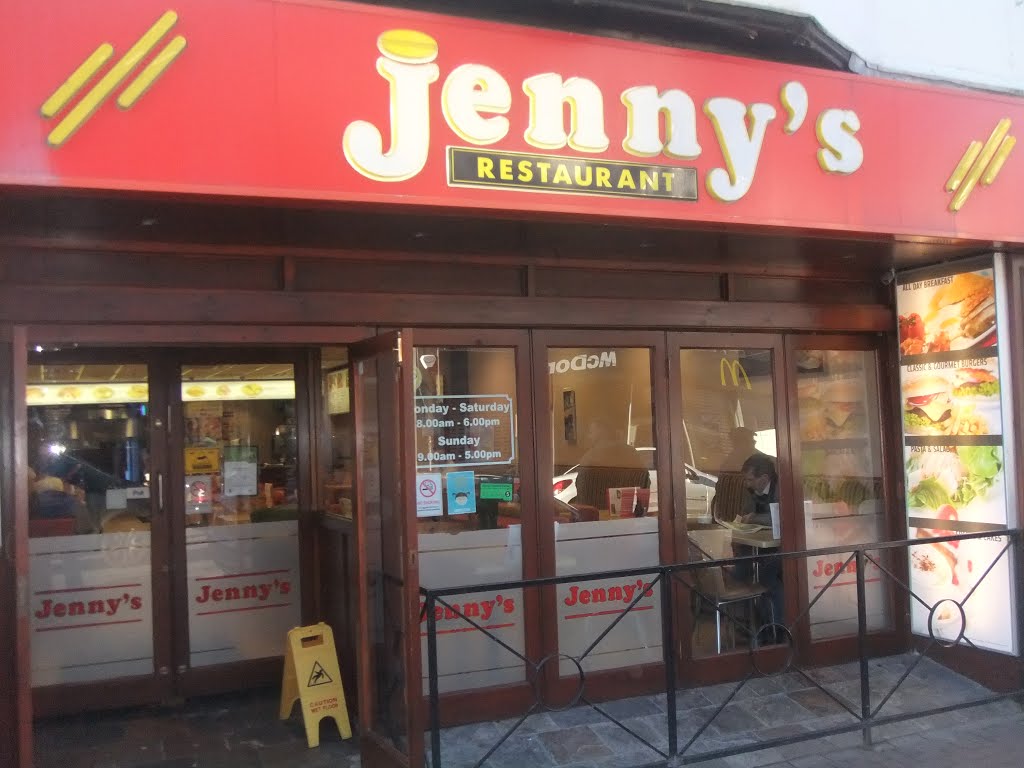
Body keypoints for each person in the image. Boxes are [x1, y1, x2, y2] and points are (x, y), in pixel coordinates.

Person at [735, 453, 784, 639]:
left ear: (764, 478)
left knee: (766, 574)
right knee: (741, 571)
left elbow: (783, 517)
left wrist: (754, 518)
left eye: (750, 480)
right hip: (760, 545)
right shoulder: (751, 490)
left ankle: (777, 628)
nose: (747, 484)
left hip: (783, 547)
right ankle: (754, 624)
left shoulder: (782, 489)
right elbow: (744, 513)